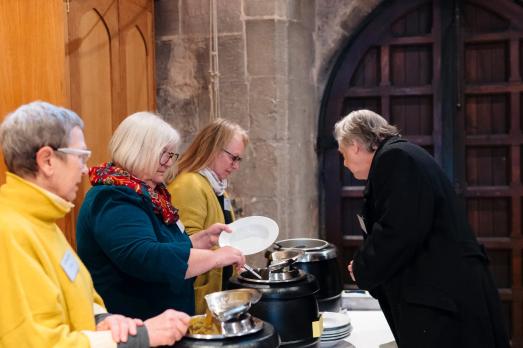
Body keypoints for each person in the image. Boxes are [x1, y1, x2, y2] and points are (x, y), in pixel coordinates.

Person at [0, 101, 190, 347]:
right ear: (47, 160)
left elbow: (73, 293)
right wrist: (142, 336)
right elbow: (38, 342)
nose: (84, 169)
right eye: (80, 156)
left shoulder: (43, 221)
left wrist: (101, 318)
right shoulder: (10, 231)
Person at [334, 109, 510, 348]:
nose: (344, 163)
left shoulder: (395, 158)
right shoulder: (403, 154)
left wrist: (365, 266)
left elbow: (398, 231)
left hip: (443, 299)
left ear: (355, 145)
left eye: (343, 154)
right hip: (445, 293)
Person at [76, 112, 245, 321]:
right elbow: (146, 257)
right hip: (134, 327)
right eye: (164, 153)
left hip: (162, 324)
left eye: (172, 155)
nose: (168, 162)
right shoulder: (113, 197)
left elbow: (163, 244)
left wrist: (200, 240)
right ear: (138, 150)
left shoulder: (149, 194)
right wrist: (215, 257)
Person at [167, 118, 248, 314]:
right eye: (233, 158)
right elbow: (186, 245)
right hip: (196, 298)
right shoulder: (189, 184)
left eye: (239, 159)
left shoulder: (217, 187)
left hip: (216, 292)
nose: (236, 166)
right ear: (213, 149)